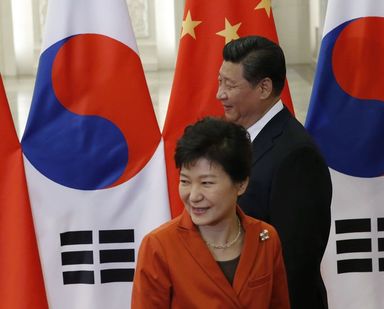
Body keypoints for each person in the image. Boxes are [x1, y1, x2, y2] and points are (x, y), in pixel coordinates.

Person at [217, 35, 332, 309]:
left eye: (230, 85)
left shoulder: (296, 155)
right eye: (220, 81)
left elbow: (295, 263)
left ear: (264, 88)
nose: (219, 94)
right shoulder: (235, 138)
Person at [131, 117, 290, 308]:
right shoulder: (159, 246)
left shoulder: (265, 238)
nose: (194, 196)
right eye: (185, 181)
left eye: (206, 183)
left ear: (241, 184)